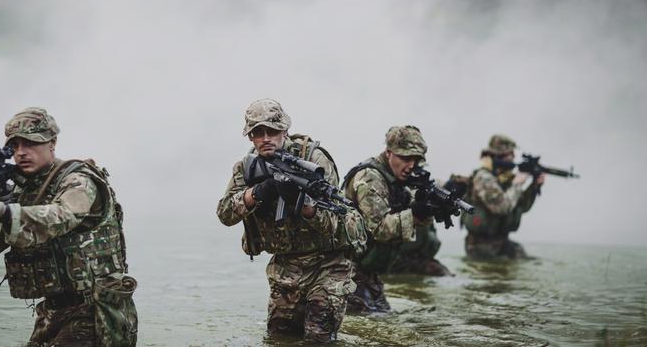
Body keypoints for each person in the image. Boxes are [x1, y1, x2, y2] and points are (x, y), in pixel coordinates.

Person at [0, 107, 138, 347]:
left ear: (52, 143)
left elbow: (60, 216)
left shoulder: (78, 180)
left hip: (94, 311)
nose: (21, 153)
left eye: (31, 144)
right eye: (15, 146)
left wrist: (3, 212)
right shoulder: (22, 190)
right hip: (52, 312)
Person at [216, 99, 367, 343]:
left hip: (327, 264)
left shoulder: (315, 160)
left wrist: (304, 205)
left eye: (272, 131)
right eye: (258, 132)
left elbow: (336, 224)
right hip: (285, 268)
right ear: (250, 137)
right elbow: (225, 214)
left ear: (284, 130)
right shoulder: (247, 167)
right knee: (279, 339)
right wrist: (257, 192)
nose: (266, 138)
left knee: (318, 339)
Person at [341, 125, 450, 313]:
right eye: (405, 158)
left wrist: (429, 208)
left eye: (416, 159)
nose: (411, 165)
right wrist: (415, 214)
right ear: (389, 152)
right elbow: (379, 228)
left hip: (368, 273)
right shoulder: (370, 178)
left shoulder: (398, 180)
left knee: (386, 320)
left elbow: (411, 215)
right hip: (346, 273)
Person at [461, 134, 545, 259]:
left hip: (501, 242)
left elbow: (522, 207)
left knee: (531, 262)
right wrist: (517, 184)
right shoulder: (484, 177)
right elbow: (501, 207)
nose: (513, 157)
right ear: (498, 155)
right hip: (480, 246)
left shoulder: (506, 179)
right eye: (510, 154)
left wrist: (534, 187)